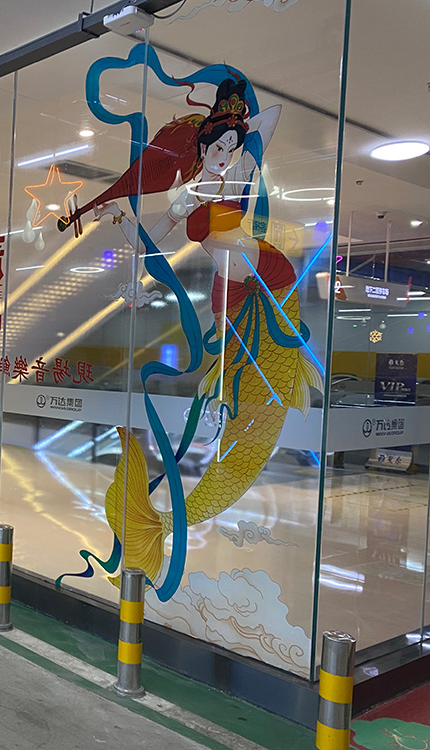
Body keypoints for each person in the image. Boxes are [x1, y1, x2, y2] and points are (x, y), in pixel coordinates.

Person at [59, 77, 321, 597]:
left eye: (231, 145)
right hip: (232, 288)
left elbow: (272, 115)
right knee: (227, 369)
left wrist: (234, 112)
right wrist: (122, 222)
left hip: (266, 273)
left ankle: (237, 410)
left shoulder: (241, 170)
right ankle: (172, 506)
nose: (224, 153)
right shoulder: (187, 194)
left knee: (259, 371)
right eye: (216, 145)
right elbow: (150, 244)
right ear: (201, 149)